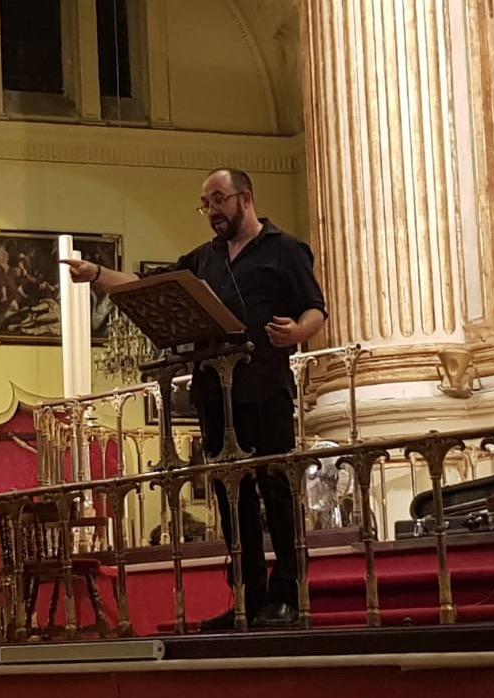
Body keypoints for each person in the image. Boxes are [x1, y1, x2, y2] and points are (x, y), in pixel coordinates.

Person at [64, 168, 326, 630]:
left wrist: (299, 332)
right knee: (232, 499)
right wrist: (99, 273)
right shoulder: (204, 260)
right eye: (205, 204)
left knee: (277, 493)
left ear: (245, 199)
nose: (211, 213)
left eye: (218, 201)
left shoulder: (285, 250)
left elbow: (314, 307)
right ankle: (246, 599)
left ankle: (288, 595)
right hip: (215, 395)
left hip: (264, 387)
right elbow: (154, 287)